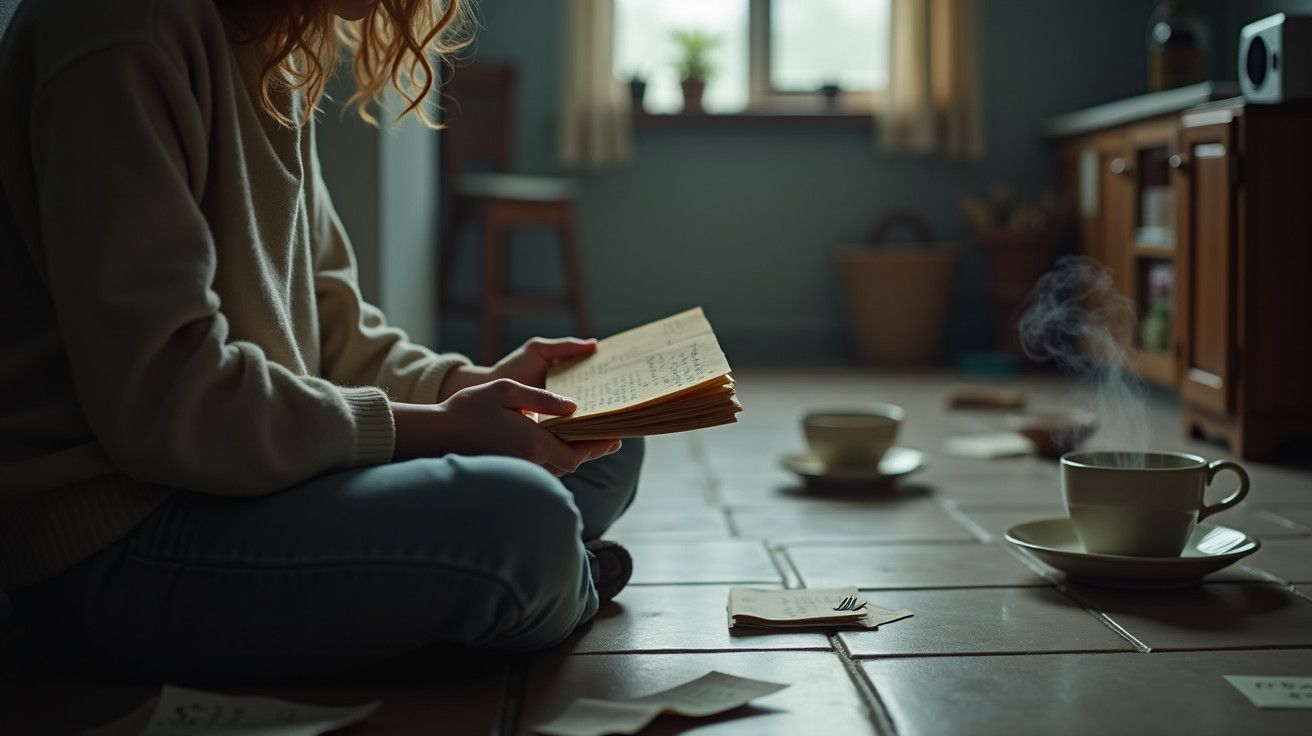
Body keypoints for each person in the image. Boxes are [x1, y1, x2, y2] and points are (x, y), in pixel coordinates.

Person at [0, 0, 642, 684]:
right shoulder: (120, 31)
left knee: (607, 441)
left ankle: (520, 586)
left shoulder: (271, 46)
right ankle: (545, 580)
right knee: (524, 523)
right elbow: (167, 404)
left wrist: (466, 387)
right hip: (124, 537)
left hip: (252, 473)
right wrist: (445, 428)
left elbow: (333, 332)